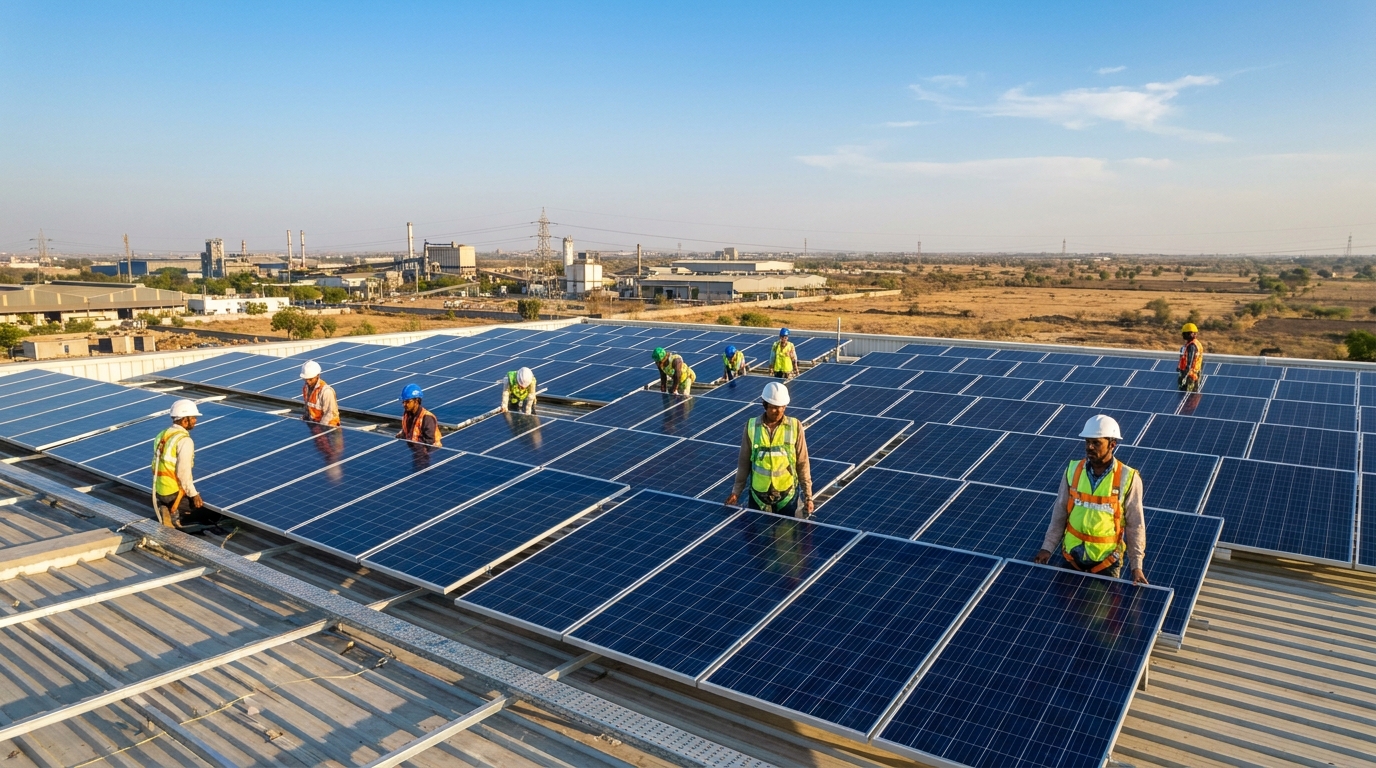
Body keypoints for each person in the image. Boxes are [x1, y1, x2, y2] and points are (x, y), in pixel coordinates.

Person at [1033, 415, 1148, 585]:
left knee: (1098, 610)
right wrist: (1047, 547)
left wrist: (1136, 566)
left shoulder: (1128, 478)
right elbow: (1060, 512)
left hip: (1106, 561)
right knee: (1067, 608)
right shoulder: (1073, 470)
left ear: (1112, 444)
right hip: (1071, 555)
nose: (1090, 447)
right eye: (1087, 442)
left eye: (1096, 443)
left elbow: (1135, 525)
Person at [725, 381, 814, 518]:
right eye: (773, 407)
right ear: (765, 405)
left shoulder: (795, 426)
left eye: (781, 407)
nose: (777, 411)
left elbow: (802, 463)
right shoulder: (752, 426)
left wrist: (808, 496)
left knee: (787, 536)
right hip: (758, 496)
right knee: (757, 536)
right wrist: (736, 492)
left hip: (787, 496)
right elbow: (744, 463)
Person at [151, 399, 218, 532]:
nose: (195, 421)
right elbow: (183, 472)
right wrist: (194, 495)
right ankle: (176, 515)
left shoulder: (163, 434)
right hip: (174, 492)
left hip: (160, 490)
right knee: (213, 513)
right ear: (184, 420)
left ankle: (166, 506)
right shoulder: (184, 440)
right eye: (193, 417)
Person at [299, 360, 340, 426]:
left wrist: (321, 428)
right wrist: (306, 417)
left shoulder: (326, 391)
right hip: (315, 424)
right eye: (305, 379)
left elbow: (329, 414)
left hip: (330, 427)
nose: (308, 382)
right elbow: (308, 408)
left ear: (317, 376)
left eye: (310, 379)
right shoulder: (305, 388)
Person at [1178, 322, 1204, 392]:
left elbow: (1190, 362)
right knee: (1190, 397)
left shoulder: (1192, 346)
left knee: (1187, 395)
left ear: (1191, 333)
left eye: (1184, 333)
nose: (1183, 335)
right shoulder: (1197, 343)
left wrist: (1184, 376)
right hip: (1195, 373)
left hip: (1190, 375)